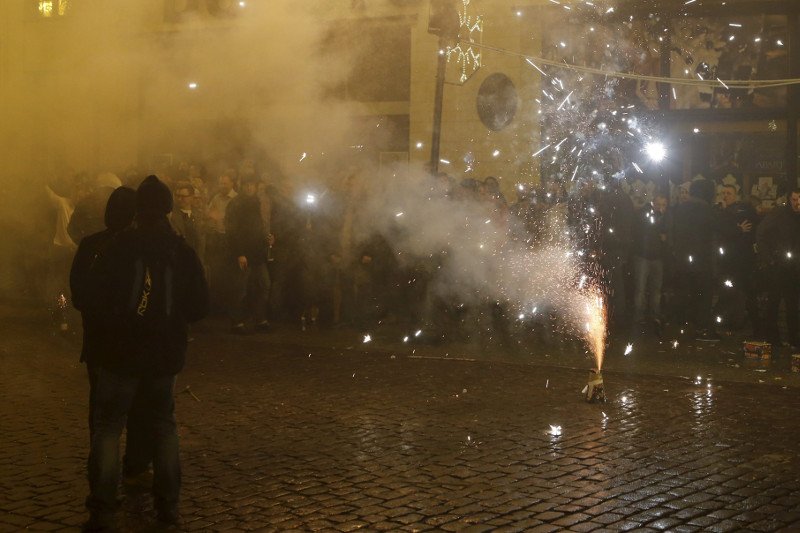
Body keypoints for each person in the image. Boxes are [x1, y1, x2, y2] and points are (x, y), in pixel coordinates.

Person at [82, 175, 208, 530]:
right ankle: (168, 506)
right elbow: (200, 305)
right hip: (163, 357)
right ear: (168, 209)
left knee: (108, 428)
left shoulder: (119, 247)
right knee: (164, 427)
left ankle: (103, 508)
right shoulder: (180, 250)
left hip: (120, 355)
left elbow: (92, 298)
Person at [70, 187, 153, 486]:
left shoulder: (90, 244)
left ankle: (101, 473)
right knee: (136, 408)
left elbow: (78, 295)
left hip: (98, 343)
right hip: (131, 344)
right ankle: (135, 465)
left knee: (102, 414)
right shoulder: (139, 248)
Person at [225, 174, 272, 333]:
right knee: (240, 289)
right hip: (244, 253)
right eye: (247, 185)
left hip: (258, 253)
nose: (249, 187)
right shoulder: (236, 204)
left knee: (262, 286)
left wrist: (267, 239)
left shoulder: (258, 202)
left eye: (252, 184)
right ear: (242, 185)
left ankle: (259, 319)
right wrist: (239, 253)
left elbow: (259, 226)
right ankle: (236, 322)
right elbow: (232, 231)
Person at [672, 178, 718, 340]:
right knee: (704, 295)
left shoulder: (680, 209)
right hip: (702, 260)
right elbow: (715, 231)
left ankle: (680, 325)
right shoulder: (707, 210)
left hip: (683, 259)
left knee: (685, 293)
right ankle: (703, 328)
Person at [756, 187, 800, 349]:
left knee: (792, 304)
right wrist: (770, 259)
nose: (797, 203)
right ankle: (772, 337)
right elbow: (761, 234)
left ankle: (793, 338)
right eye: (794, 200)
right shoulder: (779, 214)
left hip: (794, 267)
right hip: (779, 265)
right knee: (774, 302)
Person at [715, 184, 760, 335]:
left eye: (729, 193)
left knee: (742, 291)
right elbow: (722, 231)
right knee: (731, 291)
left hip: (741, 259)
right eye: (724, 193)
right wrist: (737, 229)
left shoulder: (741, 210)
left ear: (736, 195)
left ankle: (744, 322)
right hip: (730, 259)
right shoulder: (724, 212)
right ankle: (733, 321)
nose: (726, 196)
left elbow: (746, 229)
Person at [631, 194, 670, 336]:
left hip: (657, 257)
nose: (661, 208)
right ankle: (639, 317)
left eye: (664, 205)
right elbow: (645, 230)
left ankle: (655, 316)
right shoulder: (645, 214)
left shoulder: (663, 217)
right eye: (659, 204)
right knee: (641, 288)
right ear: (653, 203)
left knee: (656, 289)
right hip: (643, 256)